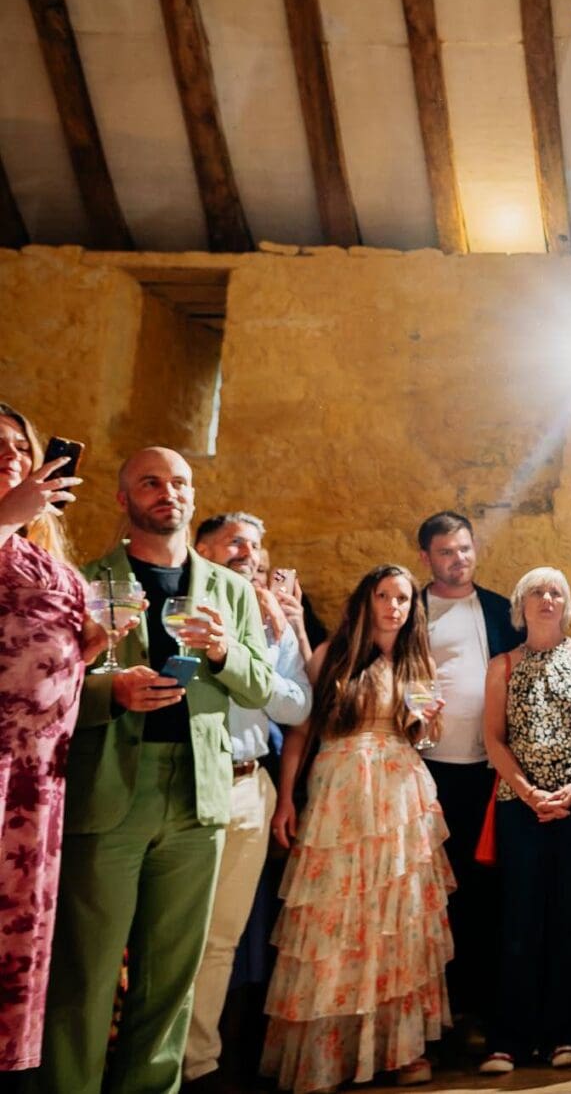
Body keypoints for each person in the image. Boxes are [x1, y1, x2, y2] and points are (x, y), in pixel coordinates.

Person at [29, 447, 274, 1094]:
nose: (170, 492)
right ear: (123, 499)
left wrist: (222, 651)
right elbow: (45, 687)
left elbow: (260, 688)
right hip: (111, 787)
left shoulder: (231, 588)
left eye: (181, 482)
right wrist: (113, 691)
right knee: (85, 972)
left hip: (199, 796)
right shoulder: (85, 579)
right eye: (151, 482)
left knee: (171, 981)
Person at [261, 565, 453, 1091]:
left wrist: (429, 720)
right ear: (366, 600)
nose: (394, 606)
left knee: (398, 918)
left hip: (399, 795)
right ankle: (331, 1053)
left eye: (403, 598)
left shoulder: (418, 660)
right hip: (340, 792)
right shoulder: (333, 656)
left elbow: (423, 736)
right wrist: (285, 800)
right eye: (384, 595)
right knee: (337, 917)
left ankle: (400, 1049)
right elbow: (300, 733)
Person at [183, 512, 311, 1088]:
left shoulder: (272, 621)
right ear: (200, 546)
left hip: (248, 780)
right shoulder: (175, 602)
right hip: (184, 779)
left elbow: (297, 706)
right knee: (173, 932)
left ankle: (200, 1064)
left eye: (256, 545)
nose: (248, 552)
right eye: (234, 541)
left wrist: (240, 663)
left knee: (222, 938)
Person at [0, 403, 105, 1075]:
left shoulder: (47, 558)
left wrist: (90, 648)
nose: (10, 453)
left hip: (39, 781)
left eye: (18, 445)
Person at [477, 567, 571, 1074]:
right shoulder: (503, 665)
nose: (548, 598)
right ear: (520, 605)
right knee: (519, 920)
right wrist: (531, 793)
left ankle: (566, 1035)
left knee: (568, 918)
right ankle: (509, 1040)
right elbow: (494, 738)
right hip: (522, 809)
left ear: (567, 604)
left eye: (557, 591)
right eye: (537, 591)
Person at [415, 511, 521, 1039]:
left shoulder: (500, 609)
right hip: (428, 773)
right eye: (445, 552)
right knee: (439, 895)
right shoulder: (410, 607)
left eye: (464, 549)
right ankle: (441, 1013)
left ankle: (486, 1010)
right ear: (427, 558)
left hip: (491, 771)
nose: (458, 560)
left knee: (488, 893)